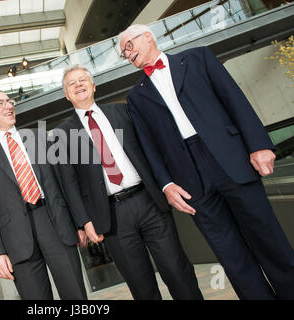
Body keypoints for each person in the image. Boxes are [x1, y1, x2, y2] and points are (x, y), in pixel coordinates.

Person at [119, 24, 294, 299]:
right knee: (230, 255)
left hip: (231, 160)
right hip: (189, 180)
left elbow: (234, 99)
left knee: (268, 238)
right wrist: (166, 184)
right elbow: (148, 147)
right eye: (123, 53)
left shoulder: (199, 58)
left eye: (129, 46)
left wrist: (258, 145)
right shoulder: (136, 97)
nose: (128, 54)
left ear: (148, 36)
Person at [54, 65, 202, 300]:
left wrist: (167, 184)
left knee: (177, 270)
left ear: (93, 86)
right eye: (72, 84)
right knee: (140, 283)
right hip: (111, 216)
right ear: (66, 95)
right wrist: (84, 221)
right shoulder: (62, 133)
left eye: (83, 80)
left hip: (149, 201)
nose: (79, 85)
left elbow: (150, 149)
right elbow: (68, 183)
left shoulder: (123, 112)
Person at [0, 89, 88, 300]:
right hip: (16, 239)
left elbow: (63, 183)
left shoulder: (39, 137)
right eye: (0, 103)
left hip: (55, 223)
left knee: (76, 296)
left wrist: (79, 223)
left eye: (9, 101)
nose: (8, 106)